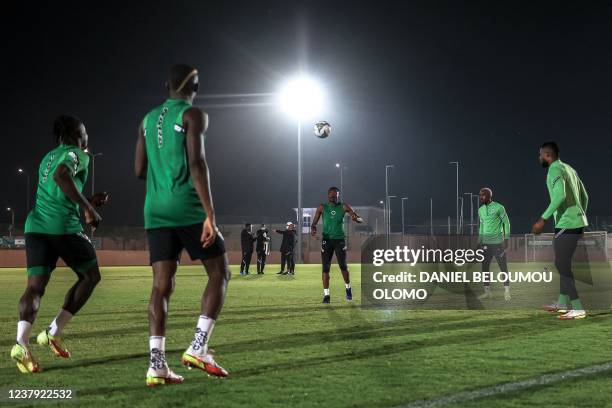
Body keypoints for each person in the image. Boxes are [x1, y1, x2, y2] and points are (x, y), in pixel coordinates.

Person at [135, 64, 230, 386]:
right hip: (186, 207)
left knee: (161, 285)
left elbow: (138, 170)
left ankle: (157, 365)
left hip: (155, 211)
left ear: (167, 85)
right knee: (220, 273)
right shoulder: (193, 115)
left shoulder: (147, 119)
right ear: (196, 86)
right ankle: (198, 347)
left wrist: (162, 180)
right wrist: (210, 214)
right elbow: (197, 163)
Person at [11, 115, 108, 373]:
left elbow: (59, 189)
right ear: (77, 134)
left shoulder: (49, 156)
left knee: (35, 287)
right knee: (91, 276)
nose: (87, 135)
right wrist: (87, 209)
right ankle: (53, 332)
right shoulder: (78, 154)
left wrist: (87, 200)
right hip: (63, 228)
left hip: (36, 226)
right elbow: (61, 175)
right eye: (85, 130)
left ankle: (21, 344)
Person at [533, 141, 588, 320]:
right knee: (562, 262)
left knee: (561, 264)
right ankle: (562, 303)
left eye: (540, 154)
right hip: (575, 222)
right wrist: (581, 217)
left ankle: (578, 307)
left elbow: (560, 196)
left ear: (547, 155)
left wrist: (542, 219)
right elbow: (585, 195)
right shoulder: (570, 169)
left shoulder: (554, 170)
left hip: (566, 223)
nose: (539, 157)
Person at [310, 187, 363, 303]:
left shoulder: (343, 206)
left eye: (335, 195)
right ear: (328, 195)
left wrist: (356, 218)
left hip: (339, 240)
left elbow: (357, 217)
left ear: (338, 196)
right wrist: (313, 227)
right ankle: (326, 295)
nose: (333, 197)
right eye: (331, 195)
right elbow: (314, 221)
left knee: (343, 266)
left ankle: (348, 288)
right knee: (325, 268)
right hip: (327, 240)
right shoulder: (322, 207)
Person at [477, 187, 511, 301]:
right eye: (480, 195)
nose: (481, 197)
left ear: (489, 196)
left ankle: (507, 291)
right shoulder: (480, 210)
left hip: (497, 243)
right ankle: (487, 292)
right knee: (485, 268)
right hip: (486, 243)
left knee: (503, 267)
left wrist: (506, 239)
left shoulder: (499, 207)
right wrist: (480, 241)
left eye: (483, 195)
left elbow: (506, 223)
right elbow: (481, 226)